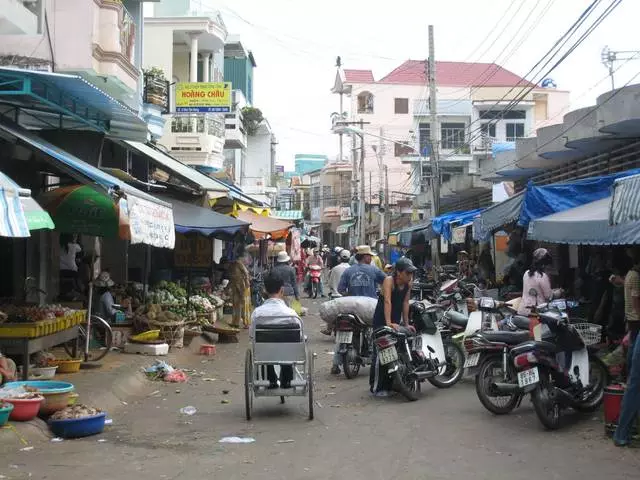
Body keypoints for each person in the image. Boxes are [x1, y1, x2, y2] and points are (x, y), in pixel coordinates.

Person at [370, 257, 417, 397]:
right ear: (399, 273)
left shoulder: (408, 284)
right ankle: (376, 387)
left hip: (395, 321)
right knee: (380, 354)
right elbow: (387, 301)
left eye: (411, 273)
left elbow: (405, 303)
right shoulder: (389, 281)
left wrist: (407, 323)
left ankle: (393, 384)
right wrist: (388, 322)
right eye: (408, 273)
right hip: (381, 320)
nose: (410, 276)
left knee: (395, 353)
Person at [250, 272, 302, 389]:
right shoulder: (291, 314)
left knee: (262, 345)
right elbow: (299, 335)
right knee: (290, 345)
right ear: (282, 290)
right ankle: (287, 380)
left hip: (264, 353)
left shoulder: (258, 313)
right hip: (287, 353)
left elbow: (251, 335)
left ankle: (270, 380)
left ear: (265, 290)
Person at [613, 247, 640, 447]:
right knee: (634, 383)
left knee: (633, 382)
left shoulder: (631, 275)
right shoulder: (635, 276)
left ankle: (623, 432)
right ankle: (622, 433)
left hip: (634, 327)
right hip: (635, 327)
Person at [517, 248, 563, 316]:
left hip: (523, 310)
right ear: (544, 265)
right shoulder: (542, 276)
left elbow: (535, 289)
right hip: (535, 312)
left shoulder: (526, 273)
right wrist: (559, 292)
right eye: (548, 266)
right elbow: (548, 296)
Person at [223, 257, 252, 328]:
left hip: (243, 287)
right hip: (236, 287)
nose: (224, 267)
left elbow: (243, 275)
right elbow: (232, 280)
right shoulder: (230, 269)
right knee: (236, 305)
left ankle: (246, 323)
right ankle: (235, 322)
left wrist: (246, 282)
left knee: (244, 305)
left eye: (224, 265)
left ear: (226, 263)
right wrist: (226, 290)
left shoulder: (236, 265)